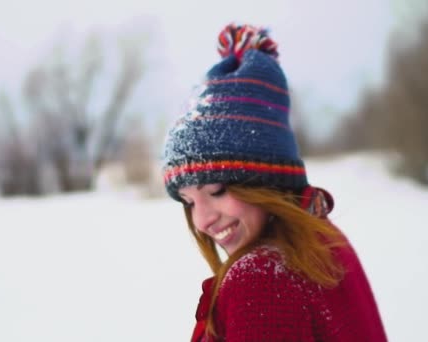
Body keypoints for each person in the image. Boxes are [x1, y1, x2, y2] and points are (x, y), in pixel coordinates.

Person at [161, 23, 387, 341]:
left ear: (268, 180)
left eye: (217, 190)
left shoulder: (261, 279)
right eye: (189, 202)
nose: (202, 220)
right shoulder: (322, 238)